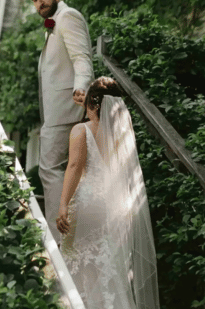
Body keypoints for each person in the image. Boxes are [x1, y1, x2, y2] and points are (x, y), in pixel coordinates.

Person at [56, 77, 160, 309]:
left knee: (78, 265)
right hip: (116, 206)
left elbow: (74, 167)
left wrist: (63, 204)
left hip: (88, 204)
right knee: (109, 270)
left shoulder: (80, 130)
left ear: (91, 103)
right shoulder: (121, 137)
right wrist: (90, 102)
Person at [26, 0, 94, 242]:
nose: (39, 3)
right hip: (57, 112)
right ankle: (71, 232)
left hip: (66, 108)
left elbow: (82, 58)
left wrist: (82, 87)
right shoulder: (52, 24)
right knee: (67, 171)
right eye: (34, 0)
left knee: (49, 168)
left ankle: (58, 238)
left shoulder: (68, 17)